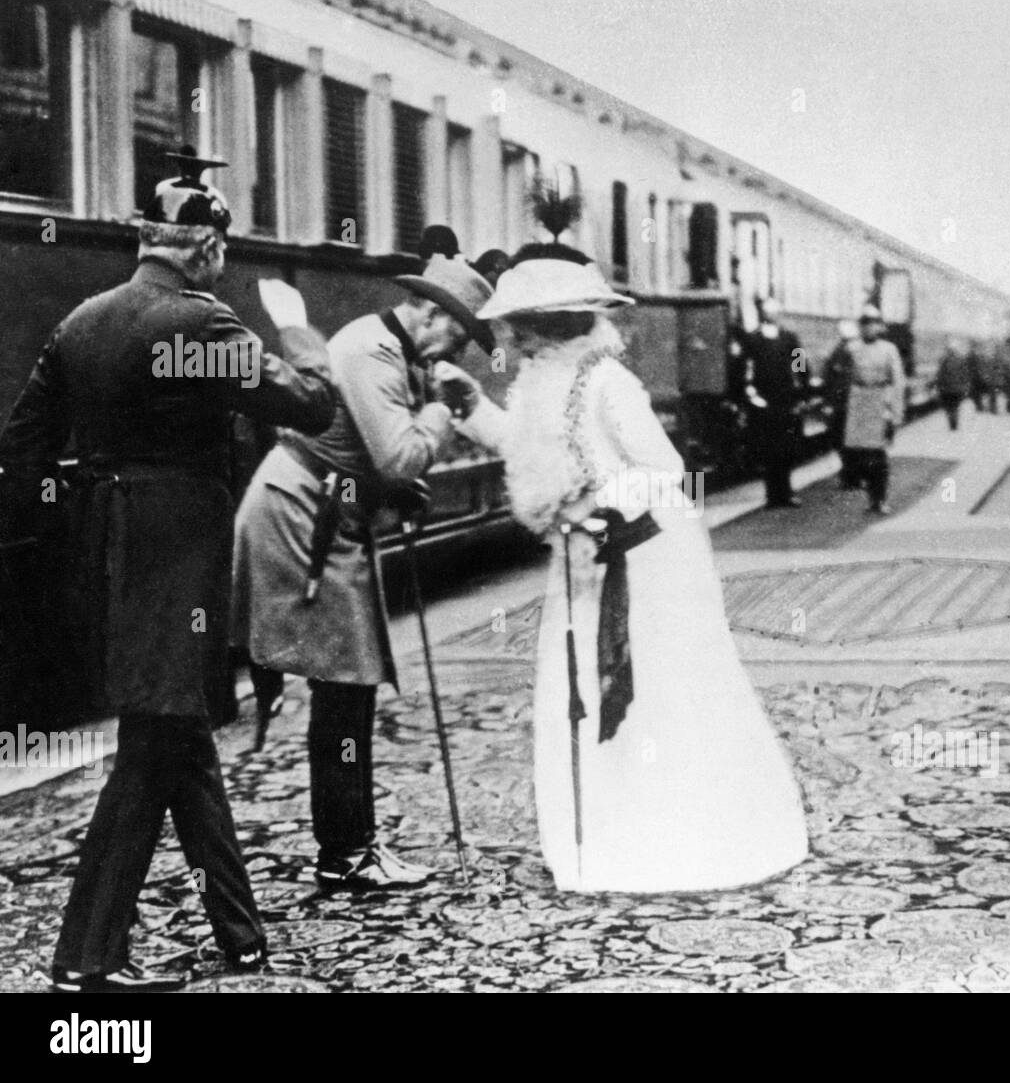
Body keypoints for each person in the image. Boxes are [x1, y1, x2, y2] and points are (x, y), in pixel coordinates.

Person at [0, 149, 335, 991]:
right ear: (206, 249)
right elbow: (306, 404)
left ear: (148, 239)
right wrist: (299, 335)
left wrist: (74, 513)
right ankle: (86, 958)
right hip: (176, 558)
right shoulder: (197, 325)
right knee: (151, 748)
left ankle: (240, 933)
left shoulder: (81, 322)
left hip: (105, 556)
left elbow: (22, 446)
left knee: (178, 732)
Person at [437, 241, 808, 892]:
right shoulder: (540, 380)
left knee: (652, 690)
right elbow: (531, 453)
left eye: (521, 324)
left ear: (552, 324)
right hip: (583, 562)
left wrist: (600, 509)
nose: (511, 336)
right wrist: (471, 410)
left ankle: (664, 833)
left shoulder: (610, 381)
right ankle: (598, 833)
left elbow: (665, 474)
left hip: (643, 564)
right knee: (575, 687)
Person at [230, 234, 494, 891]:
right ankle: (347, 851)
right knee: (345, 682)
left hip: (322, 507)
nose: (454, 356)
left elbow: (381, 462)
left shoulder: (388, 347)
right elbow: (399, 455)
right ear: (432, 316)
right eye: (457, 342)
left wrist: (397, 481)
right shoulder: (374, 351)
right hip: (301, 512)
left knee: (350, 683)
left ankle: (349, 845)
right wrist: (441, 413)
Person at [741, 298, 809, 508]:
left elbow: (800, 365)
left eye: (774, 312)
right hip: (764, 402)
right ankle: (773, 495)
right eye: (767, 312)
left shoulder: (790, 338)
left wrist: (802, 392)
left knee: (786, 450)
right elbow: (745, 368)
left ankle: (786, 492)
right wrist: (750, 394)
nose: (771, 315)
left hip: (786, 400)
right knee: (768, 450)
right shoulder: (752, 340)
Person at [839, 307, 907, 514]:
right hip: (857, 405)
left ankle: (878, 498)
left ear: (879, 326)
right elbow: (837, 374)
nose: (869, 328)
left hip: (878, 404)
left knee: (877, 457)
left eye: (873, 324)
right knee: (858, 457)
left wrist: (896, 412)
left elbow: (898, 381)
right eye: (865, 324)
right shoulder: (850, 349)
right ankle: (871, 497)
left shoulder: (889, 349)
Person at [823, 319, 859, 486]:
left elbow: (798, 358)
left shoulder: (789, 338)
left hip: (847, 403)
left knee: (846, 440)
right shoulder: (838, 352)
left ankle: (851, 474)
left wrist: (801, 382)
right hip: (841, 403)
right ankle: (851, 473)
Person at [935, 335, 972, 431]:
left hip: (946, 388)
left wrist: (939, 386)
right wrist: (965, 386)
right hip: (958, 389)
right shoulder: (961, 359)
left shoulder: (943, 360)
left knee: (949, 406)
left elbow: (940, 375)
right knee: (955, 406)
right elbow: (965, 374)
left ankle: (952, 421)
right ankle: (954, 421)